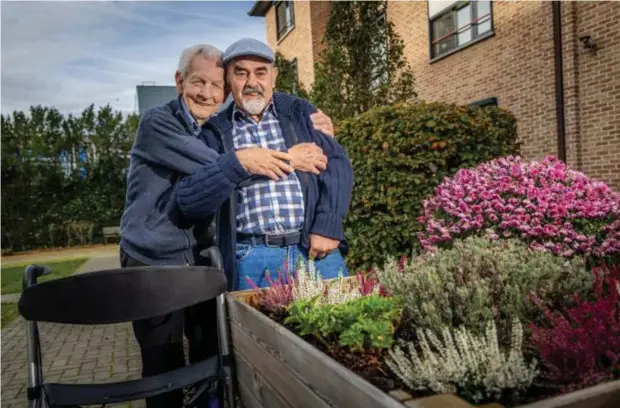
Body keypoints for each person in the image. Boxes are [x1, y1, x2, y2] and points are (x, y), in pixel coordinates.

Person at [119, 43, 335, 408]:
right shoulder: (159, 123)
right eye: (197, 82)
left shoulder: (211, 128)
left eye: (216, 85)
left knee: (209, 357)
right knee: (163, 368)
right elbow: (227, 165)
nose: (206, 92)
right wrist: (291, 159)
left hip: (203, 261)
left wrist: (311, 114)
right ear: (179, 81)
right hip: (153, 260)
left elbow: (240, 153)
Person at [176, 38, 354, 292]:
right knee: (259, 331)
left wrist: (328, 223)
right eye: (241, 73)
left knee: (345, 325)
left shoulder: (299, 111)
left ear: (274, 76)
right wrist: (255, 162)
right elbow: (190, 197)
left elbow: (337, 164)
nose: (252, 82)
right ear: (228, 79)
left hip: (314, 249)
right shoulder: (213, 132)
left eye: (261, 72)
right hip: (251, 257)